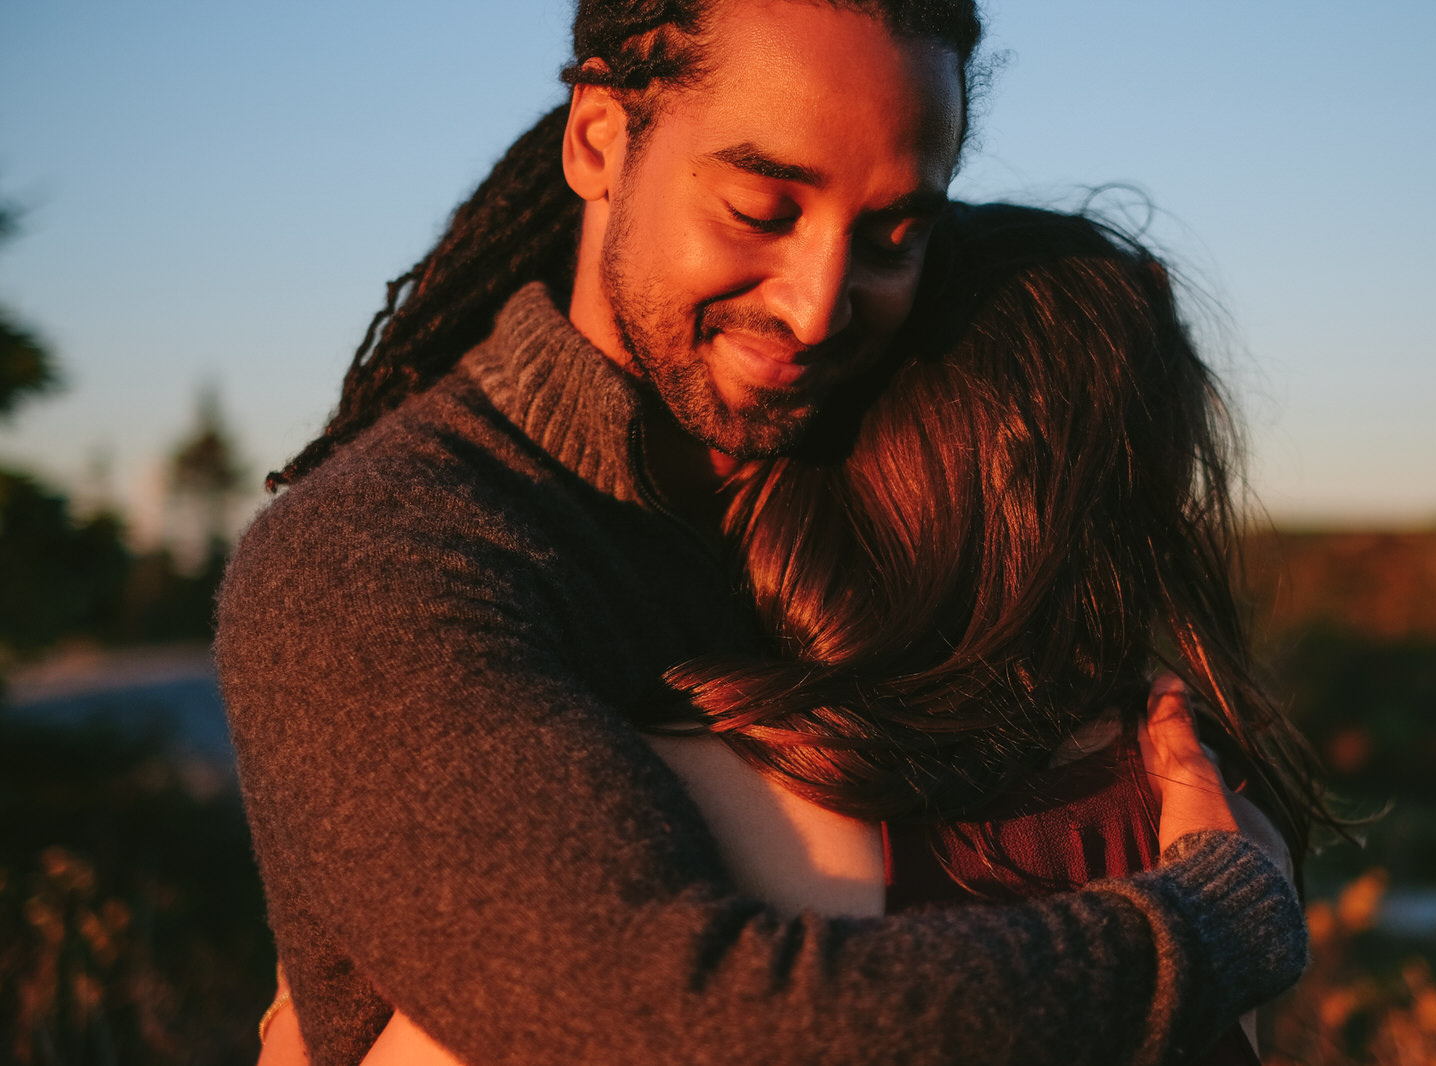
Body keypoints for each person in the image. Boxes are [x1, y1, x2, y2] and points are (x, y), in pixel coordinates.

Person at [218, 4, 1308, 1064]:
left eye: (892, 235)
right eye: (759, 207)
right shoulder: (386, 554)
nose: (817, 306)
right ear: (601, 139)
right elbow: (660, 1018)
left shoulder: (873, 439)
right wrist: (1205, 928)